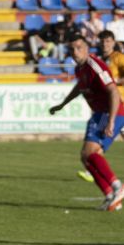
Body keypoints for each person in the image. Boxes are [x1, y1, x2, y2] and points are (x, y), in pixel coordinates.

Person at [49, 35, 124, 211]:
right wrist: (62, 105)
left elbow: (113, 92)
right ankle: (109, 195)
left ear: (87, 48)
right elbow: (79, 88)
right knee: (86, 156)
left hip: (111, 112)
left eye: (79, 47)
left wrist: (111, 121)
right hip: (98, 114)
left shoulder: (95, 66)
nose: (75, 52)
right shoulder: (79, 69)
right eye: (72, 49)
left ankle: (117, 186)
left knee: (91, 151)